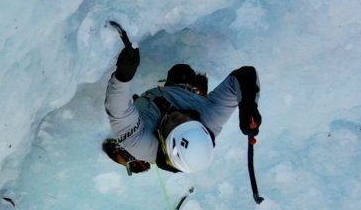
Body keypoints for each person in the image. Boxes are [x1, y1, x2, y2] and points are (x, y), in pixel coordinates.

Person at [102, 22, 262, 176]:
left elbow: (118, 110)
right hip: (187, 97)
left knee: (180, 75)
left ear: (165, 142)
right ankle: (191, 91)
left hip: (146, 114)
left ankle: (130, 155)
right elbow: (245, 75)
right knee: (184, 72)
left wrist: (123, 75)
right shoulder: (210, 119)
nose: (178, 115)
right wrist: (248, 105)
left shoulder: (140, 143)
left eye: (175, 124)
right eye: (188, 120)